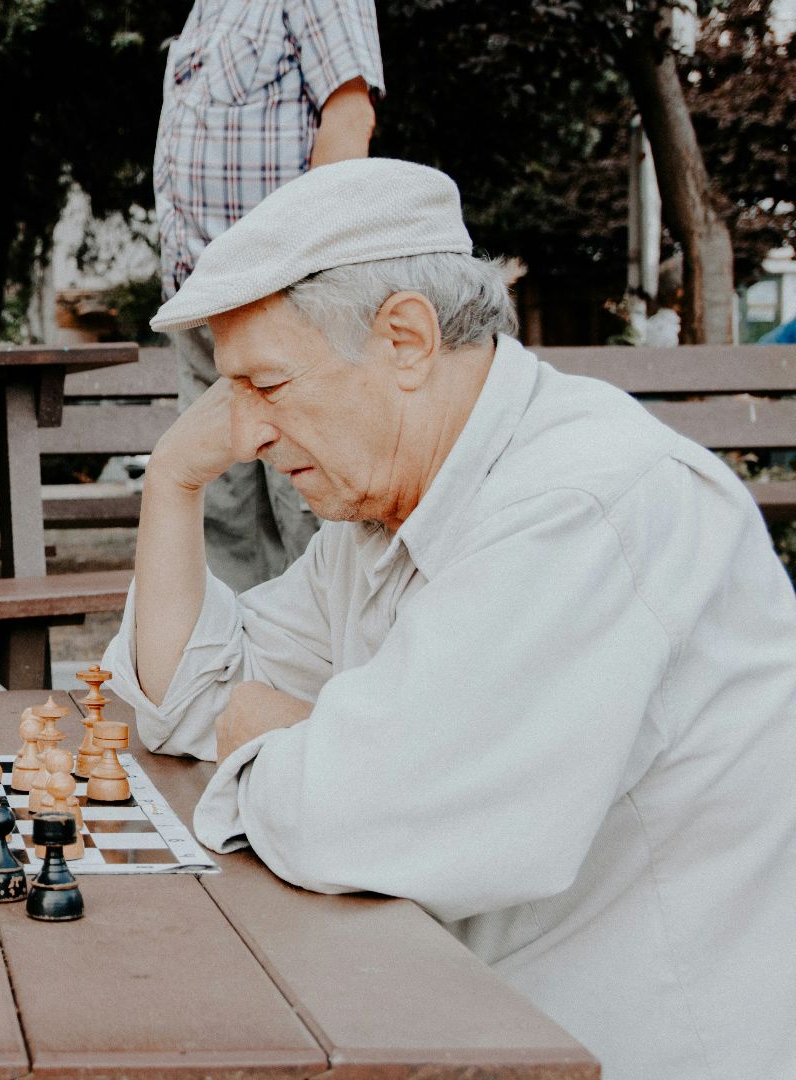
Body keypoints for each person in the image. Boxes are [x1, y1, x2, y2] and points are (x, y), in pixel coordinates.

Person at [101, 158, 796, 1080]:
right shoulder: (385, 507)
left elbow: (356, 820)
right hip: (462, 1008)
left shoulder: (583, 503)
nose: (249, 433)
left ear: (405, 340)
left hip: (622, 1044)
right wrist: (175, 486)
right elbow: (186, 702)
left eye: (266, 384)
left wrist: (285, 736)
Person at [153, 0, 382, 592]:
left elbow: (349, 117)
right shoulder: (210, 7)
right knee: (221, 509)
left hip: (281, 296)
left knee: (305, 505)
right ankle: (232, 676)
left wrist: (308, 273)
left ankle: (327, 674)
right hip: (201, 300)